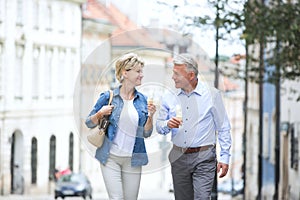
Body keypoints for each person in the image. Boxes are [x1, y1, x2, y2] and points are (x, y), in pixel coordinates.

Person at [156, 53, 232, 200]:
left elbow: (223, 127)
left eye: (177, 74)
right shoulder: (169, 96)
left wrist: (225, 157)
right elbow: (159, 126)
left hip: (204, 157)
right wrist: (167, 124)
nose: (173, 77)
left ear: (191, 75)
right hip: (178, 156)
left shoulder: (212, 95)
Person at [85, 53, 156, 200]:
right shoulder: (108, 96)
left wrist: (151, 116)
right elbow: (88, 122)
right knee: (116, 198)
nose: (141, 75)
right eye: (138, 71)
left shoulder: (142, 100)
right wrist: (100, 113)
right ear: (125, 73)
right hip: (110, 157)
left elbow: (147, 133)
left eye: (141, 71)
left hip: (133, 158)